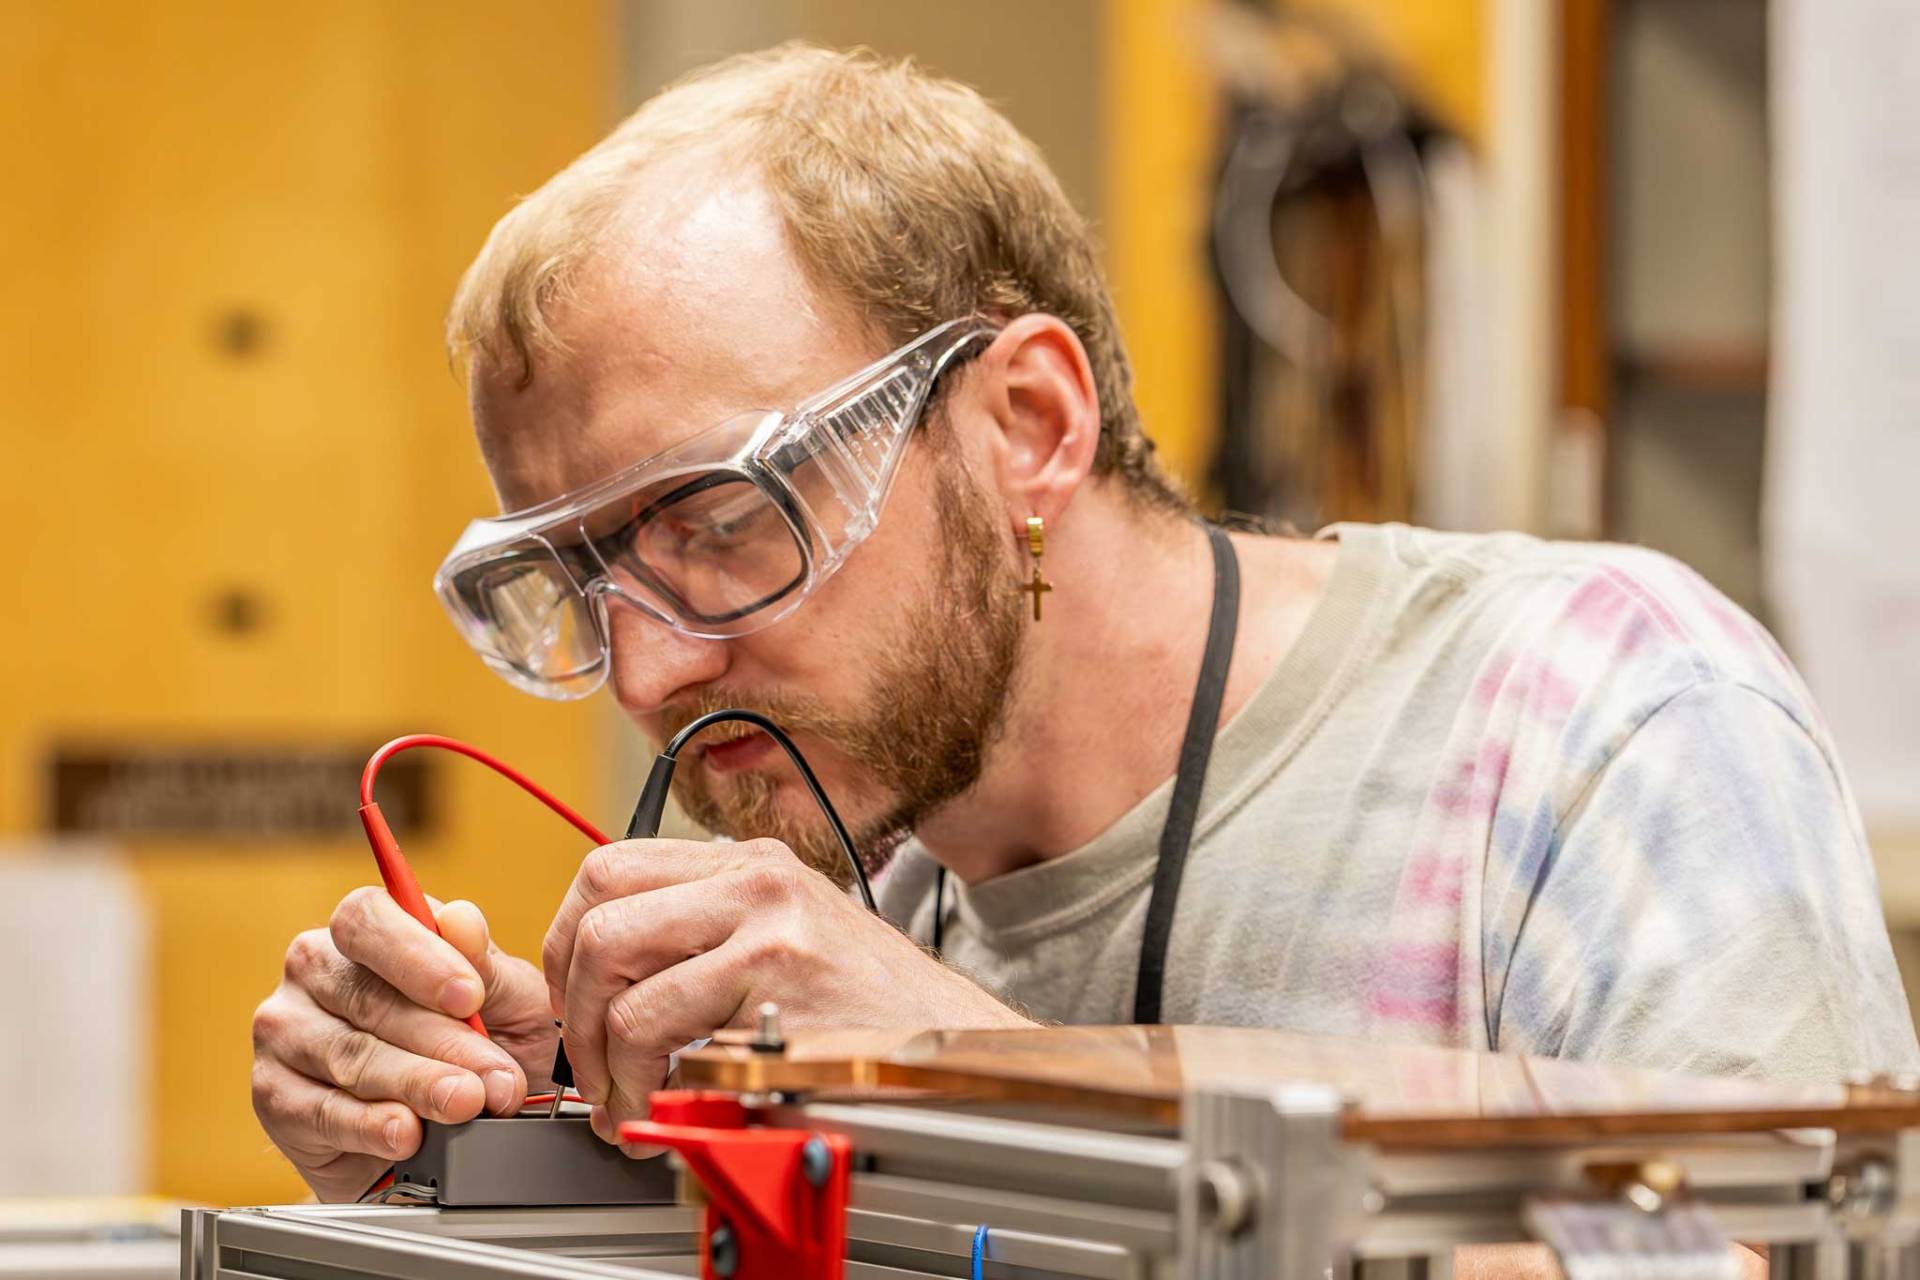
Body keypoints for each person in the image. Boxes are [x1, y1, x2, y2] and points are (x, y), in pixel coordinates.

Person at [250, 43, 1918, 1203]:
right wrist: (503, 1146)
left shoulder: (1591, 721)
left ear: (1029, 422)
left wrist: (988, 1080)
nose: (649, 670)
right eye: (582, 576)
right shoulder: (857, 856)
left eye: (720, 521)